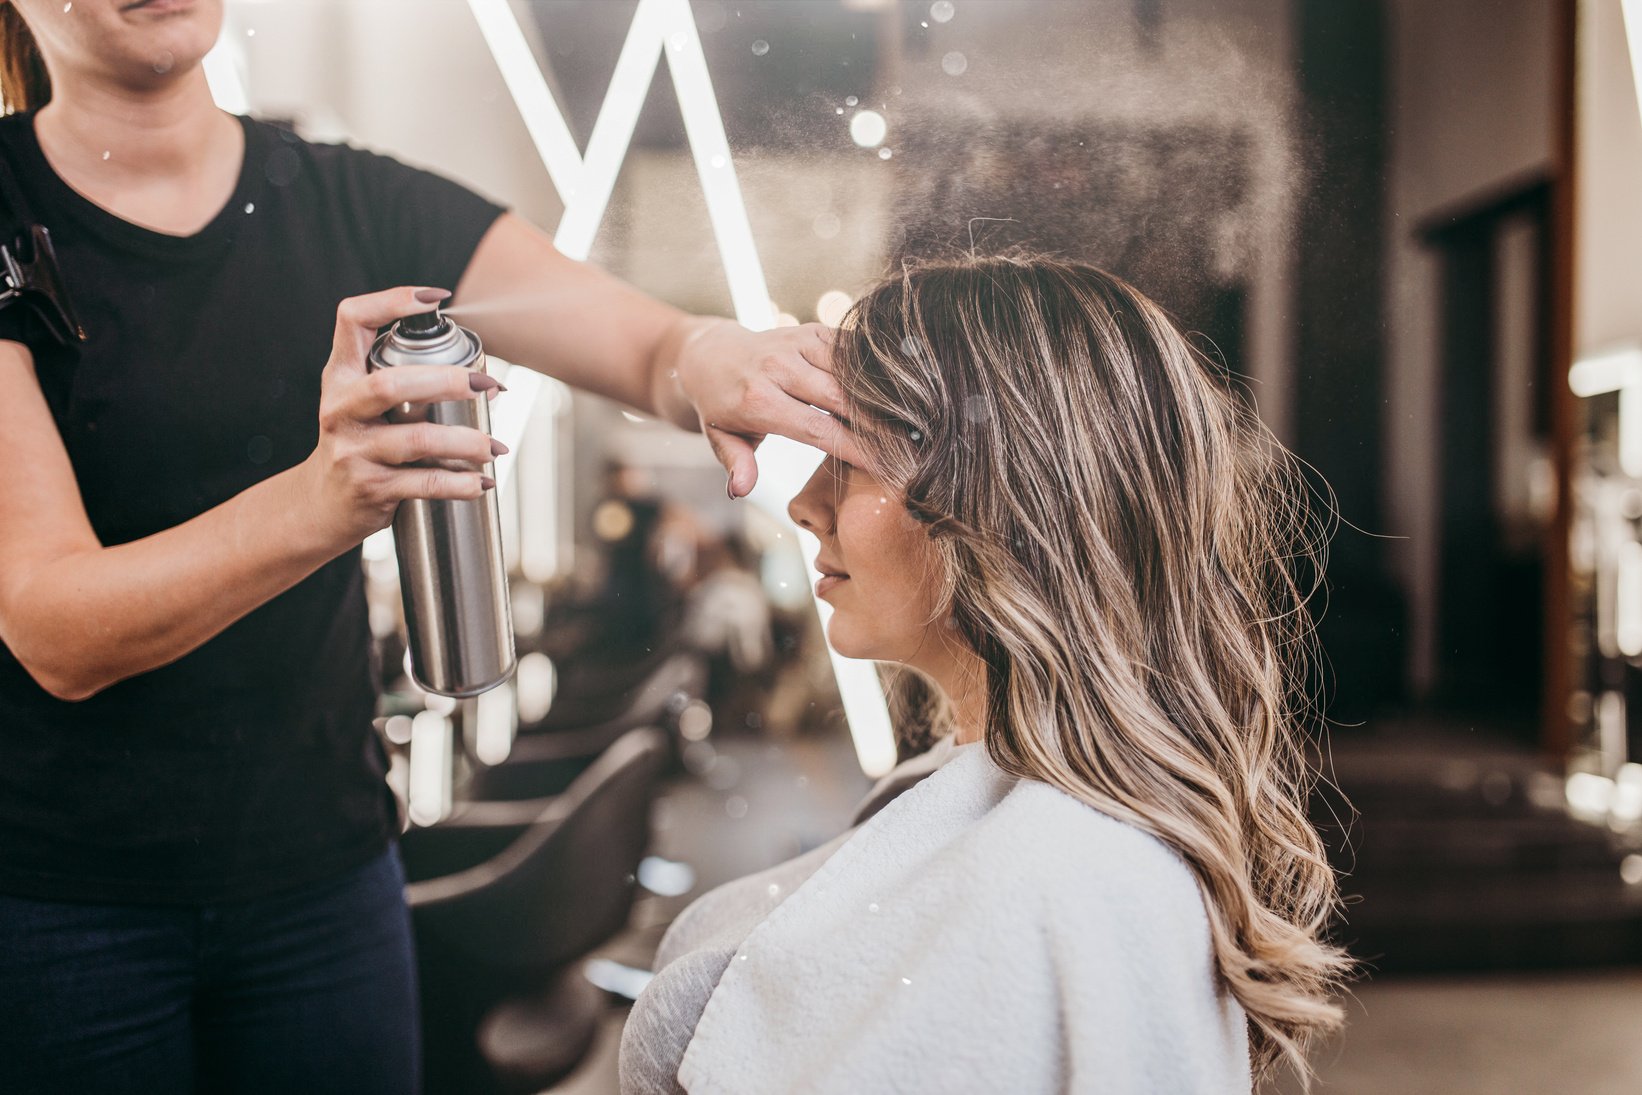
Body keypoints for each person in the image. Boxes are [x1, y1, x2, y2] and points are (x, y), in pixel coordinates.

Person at [0, 1, 860, 1092]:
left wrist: (709, 355)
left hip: (326, 876)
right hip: (58, 907)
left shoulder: (355, 203)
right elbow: (54, 627)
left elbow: (645, 347)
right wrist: (323, 502)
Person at [620, 255, 1353, 1093]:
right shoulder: (993, 812)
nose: (803, 502)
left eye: (849, 459)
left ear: (1001, 501)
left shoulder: (1079, 881)